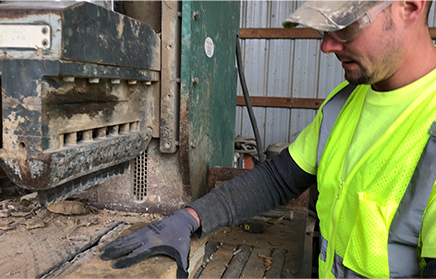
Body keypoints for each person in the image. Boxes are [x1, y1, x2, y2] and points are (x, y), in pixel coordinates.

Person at [100, 0, 436, 277]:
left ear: (410, 6)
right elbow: (277, 180)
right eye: (324, 29)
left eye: (344, 26)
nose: (326, 45)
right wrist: (190, 218)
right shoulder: (344, 103)